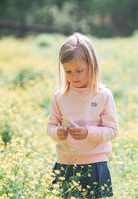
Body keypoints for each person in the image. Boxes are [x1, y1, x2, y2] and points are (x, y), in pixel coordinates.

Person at [47, 32, 118, 198]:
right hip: (65, 163)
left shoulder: (103, 95)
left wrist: (88, 132)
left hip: (95, 164)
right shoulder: (60, 97)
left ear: (92, 65)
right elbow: (51, 126)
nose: (74, 76)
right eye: (68, 71)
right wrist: (57, 132)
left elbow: (112, 131)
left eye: (79, 70)